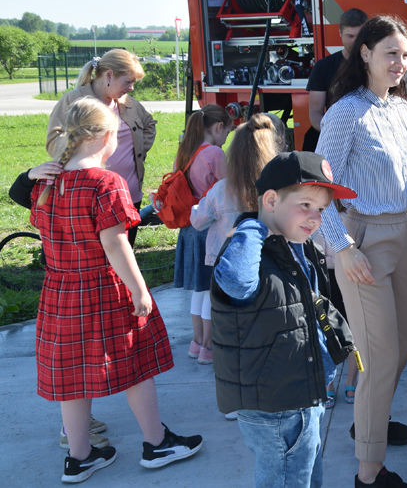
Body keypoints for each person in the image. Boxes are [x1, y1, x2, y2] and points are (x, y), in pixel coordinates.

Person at [11, 98, 202, 483]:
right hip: (103, 287)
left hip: (60, 290)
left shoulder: (46, 181)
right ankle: (157, 443)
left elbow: (28, 200)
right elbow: (116, 245)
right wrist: (140, 290)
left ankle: (80, 456)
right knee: (135, 362)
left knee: (73, 375)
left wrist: (31, 174)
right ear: (104, 137)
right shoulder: (105, 182)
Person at [316, 15, 407, 488]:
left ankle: (369, 421)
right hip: (364, 240)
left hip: (403, 231)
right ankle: (368, 472)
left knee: (405, 344)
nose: (401, 63)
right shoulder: (344, 113)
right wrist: (342, 249)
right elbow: (319, 190)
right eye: (390, 53)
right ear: (365, 54)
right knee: (378, 356)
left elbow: (396, 173)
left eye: (404, 54)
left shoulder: (399, 109)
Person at [210, 151, 357, 488]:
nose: (315, 217)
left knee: (304, 476)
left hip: (304, 393)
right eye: (305, 205)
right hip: (278, 406)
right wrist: (252, 225)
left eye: (320, 209)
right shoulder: (250, 245)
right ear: (271, 200)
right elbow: (235, 283)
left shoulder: (296, 246)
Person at [190, 113, 285, 412]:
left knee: (231, 339)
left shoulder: (221, 189)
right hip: (269, 269)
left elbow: (197, 221)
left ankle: (236, 402)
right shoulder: (279, 190)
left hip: (228, 271)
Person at [46, 49, 156, 247]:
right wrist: (88, 158)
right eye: (128, 81)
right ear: (109, 75)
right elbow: (54, 141)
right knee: (95, 258)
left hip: (129, 197)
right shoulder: (74, 101)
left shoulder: (128, 103)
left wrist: (136, 151)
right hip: (89, 200)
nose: (131, 88)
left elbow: (149, 125)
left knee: (122, 255)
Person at [172, 105, 234, 366]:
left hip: (188, 226)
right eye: (227, 133)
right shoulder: (215, 154)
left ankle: (196, 342)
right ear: (219, 128)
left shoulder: (185, 150)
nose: (226, 139)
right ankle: (210, 346)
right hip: (208, 228)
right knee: (210, 289)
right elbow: (227, 187)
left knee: (198, 290)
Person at [304, 8, 368, 152]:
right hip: (334, 139)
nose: (355, 42)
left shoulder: (376, 65)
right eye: (350, 36)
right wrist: (334, 133)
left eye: (359, 36)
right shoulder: (323, 67)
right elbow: (315, 112)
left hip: (369, 139)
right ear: (340, 33)